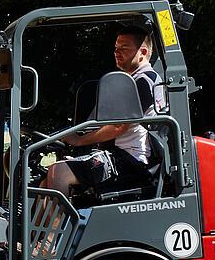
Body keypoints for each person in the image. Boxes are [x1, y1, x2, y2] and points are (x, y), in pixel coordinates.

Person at [40, 23, 169, 195]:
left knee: (59, 173)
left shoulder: (144, 81)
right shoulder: (134, 80)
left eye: (124, 47)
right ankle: (36, 223)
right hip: (121, 156)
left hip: (131, 160)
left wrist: (79, 141)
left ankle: (56, 223)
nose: (117, 52)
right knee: (44, 182)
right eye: (116, 47)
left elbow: (118, 127)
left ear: (143, 52)